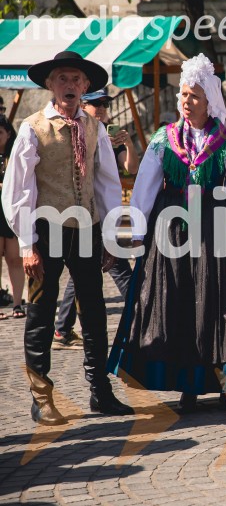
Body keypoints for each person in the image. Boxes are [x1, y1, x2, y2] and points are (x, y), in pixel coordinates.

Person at [108, 54, 226, 414]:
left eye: (193, 95)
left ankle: (225, 384)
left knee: (219, 304)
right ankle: (187, 385)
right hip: (171, 232)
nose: (186, 101)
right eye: (183, 94)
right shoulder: (165, 139)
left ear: (210, 100)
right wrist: (138, 231)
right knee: (177, 303)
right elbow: (145, 186)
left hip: (214, 229)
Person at [2, 50, 133, 425]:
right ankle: (41, 398)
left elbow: (107, 183)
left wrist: (109, 236)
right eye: (62, 78)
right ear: (49, 85)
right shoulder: (32, 127)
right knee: (41, 313)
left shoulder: (96, 129)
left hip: (87, 229)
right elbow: (18, 190)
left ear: (87, 86)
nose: (70, 85)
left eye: (76, 80)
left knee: (93, 313)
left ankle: (100, 392)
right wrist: (26, 243)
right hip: (47, 231)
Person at [53, 89, 137, 349]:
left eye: (104, 104)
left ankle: (61, 330)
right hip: (83, 213)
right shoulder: (77, 134)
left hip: (104, 213)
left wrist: (129, 143)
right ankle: (142, 317)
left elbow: (131, 169)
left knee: (83, 271)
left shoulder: (114, 136)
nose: (101, 109)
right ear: (82, 105)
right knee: (119, 269)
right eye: (94, 104)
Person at [0, 116, 25, 319]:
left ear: (8, 133)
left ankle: (17, 304)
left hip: (11, 213)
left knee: (15, 259)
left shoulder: (15, 155)